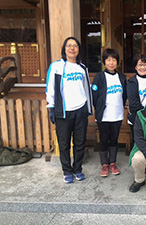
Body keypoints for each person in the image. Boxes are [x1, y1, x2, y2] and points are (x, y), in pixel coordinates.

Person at [46, 37, 93, 183]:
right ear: (64, 49)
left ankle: (77, 169)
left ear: (79, 49)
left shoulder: (82, 68)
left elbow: (87, 89)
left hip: (80, 110)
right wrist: (52, 107)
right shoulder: (56, 66)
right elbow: (50, 88)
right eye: (69, 46)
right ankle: (67, 171)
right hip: (63, 111)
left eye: (75, 46)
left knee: (80, 142)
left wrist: (88, 107)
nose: (72, 48)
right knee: (64, 143)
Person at [92, 48, 127, 177]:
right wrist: (100, 109)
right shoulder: (100, 77)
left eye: (114, 60)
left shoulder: (122, 77)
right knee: (103, 140)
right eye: (108, 60)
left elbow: (124, 96)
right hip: (104, 116)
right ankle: (104, 165)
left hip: (117, 115)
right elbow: (94, 95)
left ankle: (112, 162)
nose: (111, 63)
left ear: (117, 62)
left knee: (114, 139)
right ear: (104, 62)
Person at [127, 54, 146, 145]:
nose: (142, 67)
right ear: (135, 67)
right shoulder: (131, 81)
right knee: (138, 144)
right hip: (137, 117)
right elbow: (133, 102)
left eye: (145, 65)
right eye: (140, 65)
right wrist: (145, 113)